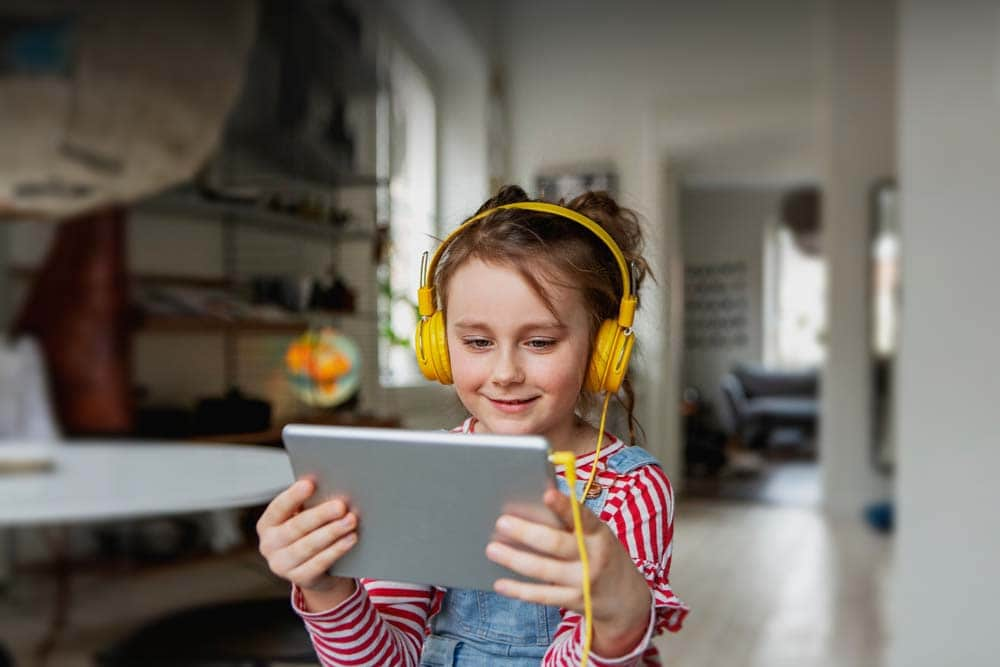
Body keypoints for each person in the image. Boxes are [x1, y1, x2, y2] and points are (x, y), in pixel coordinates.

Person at [257, 185, 689, 665]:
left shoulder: (631, 488)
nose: (505, 373)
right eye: (478, 342)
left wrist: (618, 617)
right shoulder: (417, 474)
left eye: (541, 342)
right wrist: (327, 588)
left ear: (603, 352)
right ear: (439, 347)